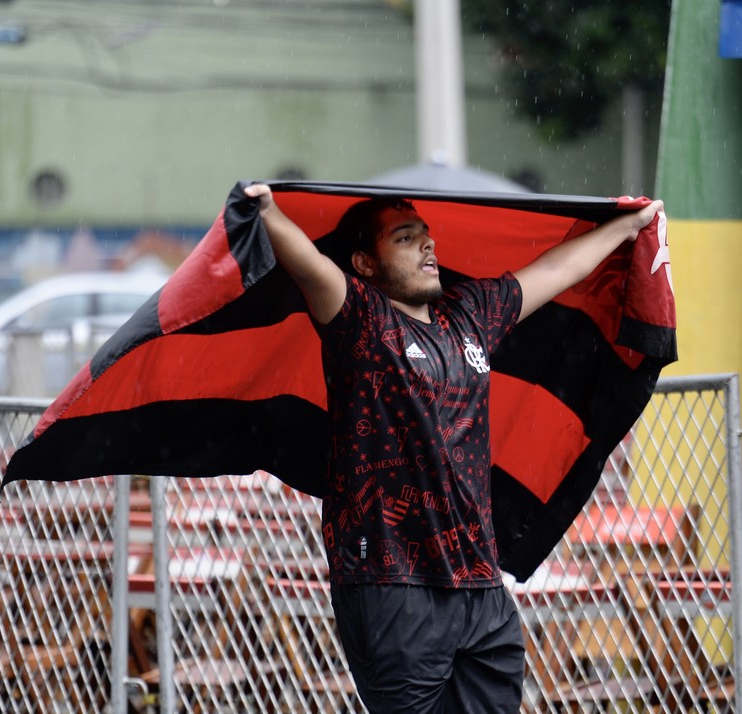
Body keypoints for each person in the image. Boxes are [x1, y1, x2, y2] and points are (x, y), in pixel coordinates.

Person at [243, 183, 662, 713]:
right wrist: (267, 211)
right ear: (364, 263)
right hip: (394, 585)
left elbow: (555, 272)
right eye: (405, 237)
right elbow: (307, 265)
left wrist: (628, 226)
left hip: (481, 588)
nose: (427, 246)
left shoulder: (470, 314)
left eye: (426, 235)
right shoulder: (360, 323)